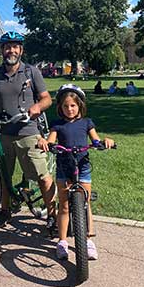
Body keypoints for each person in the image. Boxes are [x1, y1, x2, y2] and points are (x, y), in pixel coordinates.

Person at [0, 31, 56, 233]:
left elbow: (46, 99)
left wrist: (37, 108)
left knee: (42, 176)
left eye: (15, 46)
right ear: (2, 50)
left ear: (21, 50)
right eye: (7, 46)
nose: (11, 50)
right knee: (2, 175)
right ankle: (5, 210)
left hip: (28, 131)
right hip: (3, 132)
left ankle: (52, 214)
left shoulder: (31, 72)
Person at [37, 85, 115, 261]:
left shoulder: (87, 123)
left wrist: (105, 142)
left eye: (73, 106)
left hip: (83, 165)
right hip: (64, 167)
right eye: (66, 106)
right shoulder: (57, 125)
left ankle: (87, 240)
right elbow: (51, 141)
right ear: (60, 108)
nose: (69, 109)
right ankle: (62, 241)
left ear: (79, 105)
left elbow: (95, 140)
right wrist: (44, 143)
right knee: (64, 204)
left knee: (85, 202)